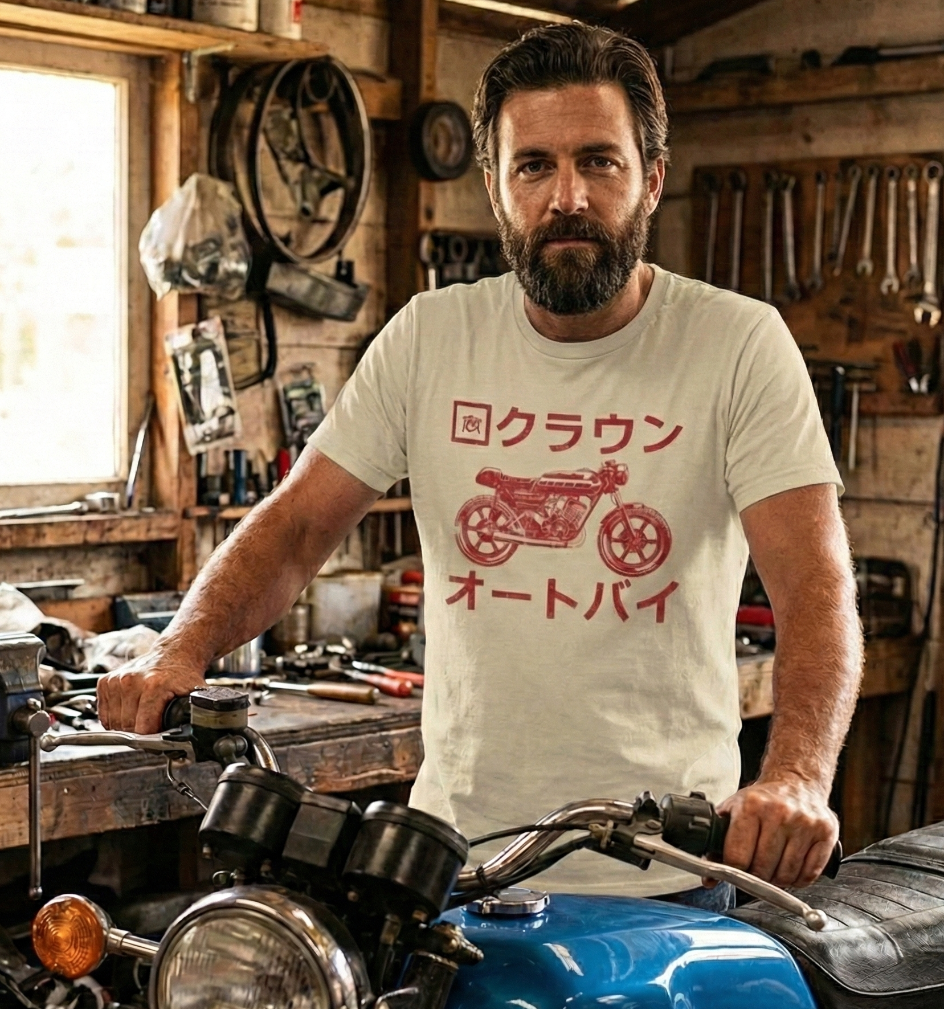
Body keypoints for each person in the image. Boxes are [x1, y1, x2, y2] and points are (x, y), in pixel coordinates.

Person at [98, 23, 862, 901]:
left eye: (599, 162)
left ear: (650, 179)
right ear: (496, 187)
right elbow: (300, 522)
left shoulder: (737, 344)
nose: (565, 196)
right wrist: (180, 649)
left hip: (671, 869)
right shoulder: (431, 336)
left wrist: (797, 777)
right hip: (457, 867)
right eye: (533, 165)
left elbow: (814, 589)